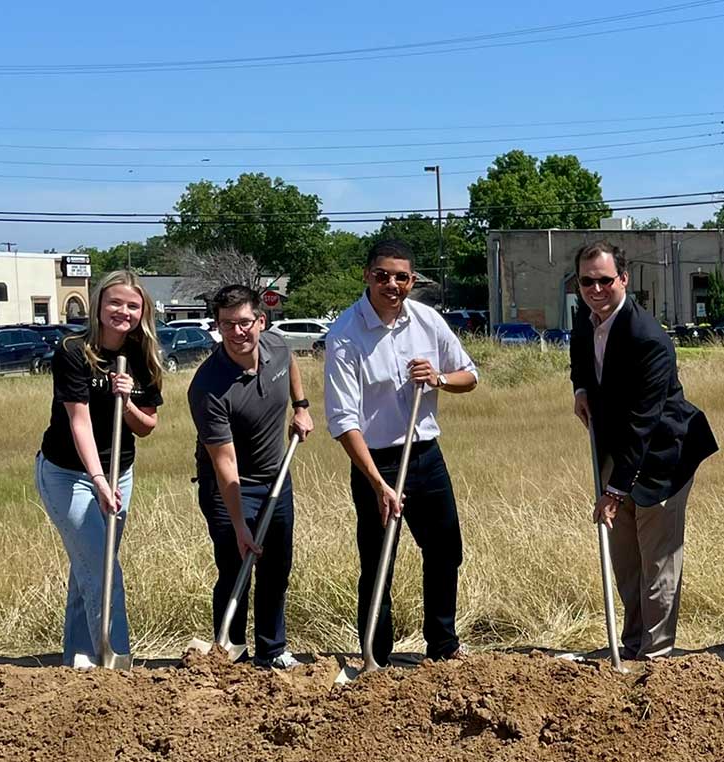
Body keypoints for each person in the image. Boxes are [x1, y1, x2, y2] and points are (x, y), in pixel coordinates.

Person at [325, 238, 479, 665]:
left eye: (401, 277)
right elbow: (342, 421)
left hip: (426, 455)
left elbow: (470, 375)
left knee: (446, 551)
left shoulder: (428, 321)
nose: (391, 284)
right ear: (367, 276)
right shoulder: (345, 335)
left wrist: (440, 379)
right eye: (382, 275)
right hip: (376, 463)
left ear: (412, 280)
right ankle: (377, 657)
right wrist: (378, 484)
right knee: (378, 563)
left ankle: (444, 647)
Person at [570, 241, 718, 660]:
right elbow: (580, 354)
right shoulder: (587, 316)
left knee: (656, 564)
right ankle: (632, 643)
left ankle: (655, 655)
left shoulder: (648, 338)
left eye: (604, 280)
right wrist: (581, 388)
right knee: (626, 561)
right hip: (617, 449)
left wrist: (615, 492)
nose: (595, 289)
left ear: (624, 279)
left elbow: (643, 424)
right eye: (586, 281)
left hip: (663, 456)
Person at [34, 270, 163, 668]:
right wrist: (98, 480)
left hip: (120, 472)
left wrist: (127, 403)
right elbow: (80, 422)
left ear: (143, 311)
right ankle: (115, 659)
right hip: (68, 473)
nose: (123, 311)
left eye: (132, 305)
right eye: (115, 302)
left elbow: (147, 427)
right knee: (103, 567)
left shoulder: (143, 355)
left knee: (87, 564)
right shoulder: (74, 350)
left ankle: (79, 657)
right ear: (99, 305)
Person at [187, 285, 314, 669]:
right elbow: (225, 464)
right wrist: (240, 523)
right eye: (228, 325)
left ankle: (273, 650)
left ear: (260, 321)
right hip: (228, 488)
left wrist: (302, 406)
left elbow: (289, 363)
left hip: (275, 478)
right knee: (235, 569)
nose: (238, 332)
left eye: (244, 323)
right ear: (217, 326)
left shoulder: (275, 345)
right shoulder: (209, 386)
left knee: (276, 569)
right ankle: (231, 654)